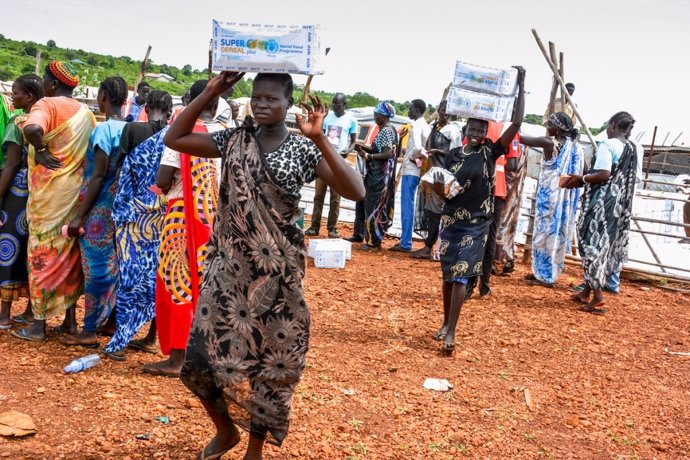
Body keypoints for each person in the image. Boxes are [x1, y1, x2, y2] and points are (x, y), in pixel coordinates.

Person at [163, 71, 364, 459]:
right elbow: (175, 139)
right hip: (228, 269)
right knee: (199, 361)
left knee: (267, 365)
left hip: (277, 275)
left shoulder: (304, 150)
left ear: (289, 104)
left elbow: (355, 190)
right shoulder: (235, 140)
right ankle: (225, 431)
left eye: (272, 98)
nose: (262, 104)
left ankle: (254, 447)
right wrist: (211, 91)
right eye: (257, 97)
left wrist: (319, 137)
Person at [434, 66, 525, 354]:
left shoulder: (490, 152)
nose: (475, 133)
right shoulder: (452, 155)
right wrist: (437, 186)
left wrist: (521, 85)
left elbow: (517, 122)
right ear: (465, 131)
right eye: (471, 129)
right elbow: (444, 189)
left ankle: (452, 331)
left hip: (476, 223)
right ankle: (445, 322)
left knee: (462, 273)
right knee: (448, 274)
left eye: (480, 130)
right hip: (451, 221)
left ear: (486, 132)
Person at [141, 80, 226, 373]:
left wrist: (158, 191)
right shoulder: (224, 135)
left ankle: (177, 358)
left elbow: (164, 179)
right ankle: (203, 354)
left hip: (181, 216)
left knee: (175, 284)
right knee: (203, 285)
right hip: (212, 218)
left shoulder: (182, 135)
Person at [11, 61, 96, 342]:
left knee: (41, 255)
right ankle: (70, 322)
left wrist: (41, 148)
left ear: (53, 84)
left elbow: (33, 129)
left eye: (46, 81)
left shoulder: (46, 104)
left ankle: (37, 325)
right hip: (74, 196)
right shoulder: (86, 112)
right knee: (68, 258)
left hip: (48, 197)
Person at [101, 90, 173, 359]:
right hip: (161, 216)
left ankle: (120, 340)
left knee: (129, 277)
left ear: (145, 107)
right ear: (169, 112)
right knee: (157, 275)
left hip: (132, 217)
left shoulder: (131, 129)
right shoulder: (175, 138)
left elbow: (120, 168)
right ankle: (151, 338)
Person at [58, 77, 128, 347]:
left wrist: (79, 216)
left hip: (99, 209)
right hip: (122, 208)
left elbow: (98, 176)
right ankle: (110, 322)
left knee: (96, 268)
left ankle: (88, 330)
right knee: (116, 265)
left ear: (103, 97)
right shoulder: (133, 128)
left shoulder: (104, 131)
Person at [564, 111, 638, 314]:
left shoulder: (608, 145)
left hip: (600, 204)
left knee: (590, 244)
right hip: (618, 207)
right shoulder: (633, 148)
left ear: (613, 126)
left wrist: (582, 179)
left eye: (608, 126)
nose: (606, 130)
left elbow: (603, 174)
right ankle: (586, 292)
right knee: (603, 245)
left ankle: (597, 297)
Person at [520, 112, 583, 288]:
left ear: (558, 128)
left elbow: (521, 138)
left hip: (549, 197)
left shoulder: (549, 143)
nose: (547, 128)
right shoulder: (576, 148)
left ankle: (544, 275)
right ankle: (543, 271)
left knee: (543, 235)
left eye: (550, 125)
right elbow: (582, 170)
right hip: (565, 201)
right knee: (556, 236)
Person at [0, 75, 43, 329]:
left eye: (15, 93)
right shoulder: (51, 119)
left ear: (28, 97)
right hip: (45, 191)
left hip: (19, 192)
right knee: (34, 250)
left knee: (9, 248)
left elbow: (12, 163)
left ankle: (4, 314)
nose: (12, 97)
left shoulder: (19, 121)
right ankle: (30, 311)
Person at [411, 100, 462, 259]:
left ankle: (430, 247)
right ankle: (429, 245)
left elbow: (457, 155)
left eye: (448, 111)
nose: (445, 113)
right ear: (438, 110)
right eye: (443, 109)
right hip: (430, 173)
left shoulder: (453, 131)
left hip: (442, 176)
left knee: (436, 212)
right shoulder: (434, 126)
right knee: (430, 211)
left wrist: (437, 151)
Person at [305, 93, 357, 238]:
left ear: (344, 104)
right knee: (318, 195)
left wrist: (349, 149)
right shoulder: (327, 117)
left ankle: (332, 228)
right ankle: (314, 226)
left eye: (338, 103)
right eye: (333, 103)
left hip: (339, 160)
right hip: (324, 159)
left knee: (335, 197)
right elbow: (320, 133)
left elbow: (353, 141)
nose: (334, 105)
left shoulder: (351, 120)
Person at [353, 102, 399, 251]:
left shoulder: (386, 131)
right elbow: (379, 149)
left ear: (383, 116)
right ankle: (372, 240)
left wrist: (367, 155)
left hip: (379, 176)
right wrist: (365, 149)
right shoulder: (386, 130)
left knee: (373, 206)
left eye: (376, 114)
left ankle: (374, 242)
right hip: (378, 175)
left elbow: (387, 154)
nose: (374, 116)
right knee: (371, 205)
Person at [391, 99, 430, 253]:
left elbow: (418, 147)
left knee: (407, 205)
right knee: (411, 204)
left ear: (416, 110)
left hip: (411, 170)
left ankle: (406, 242)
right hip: (417, 170)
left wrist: (413, 158)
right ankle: (405, 240)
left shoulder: (417, 126)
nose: (408, 112)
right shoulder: (425, 126)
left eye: (410, 109)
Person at [494, 137, 527, 274]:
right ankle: (503, 258)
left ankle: (498, 260)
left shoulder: (511, 138)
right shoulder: (518, 140)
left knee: (500, 221)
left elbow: (512, 165)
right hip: (511, 186)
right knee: (505, 222)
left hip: (505, 184)